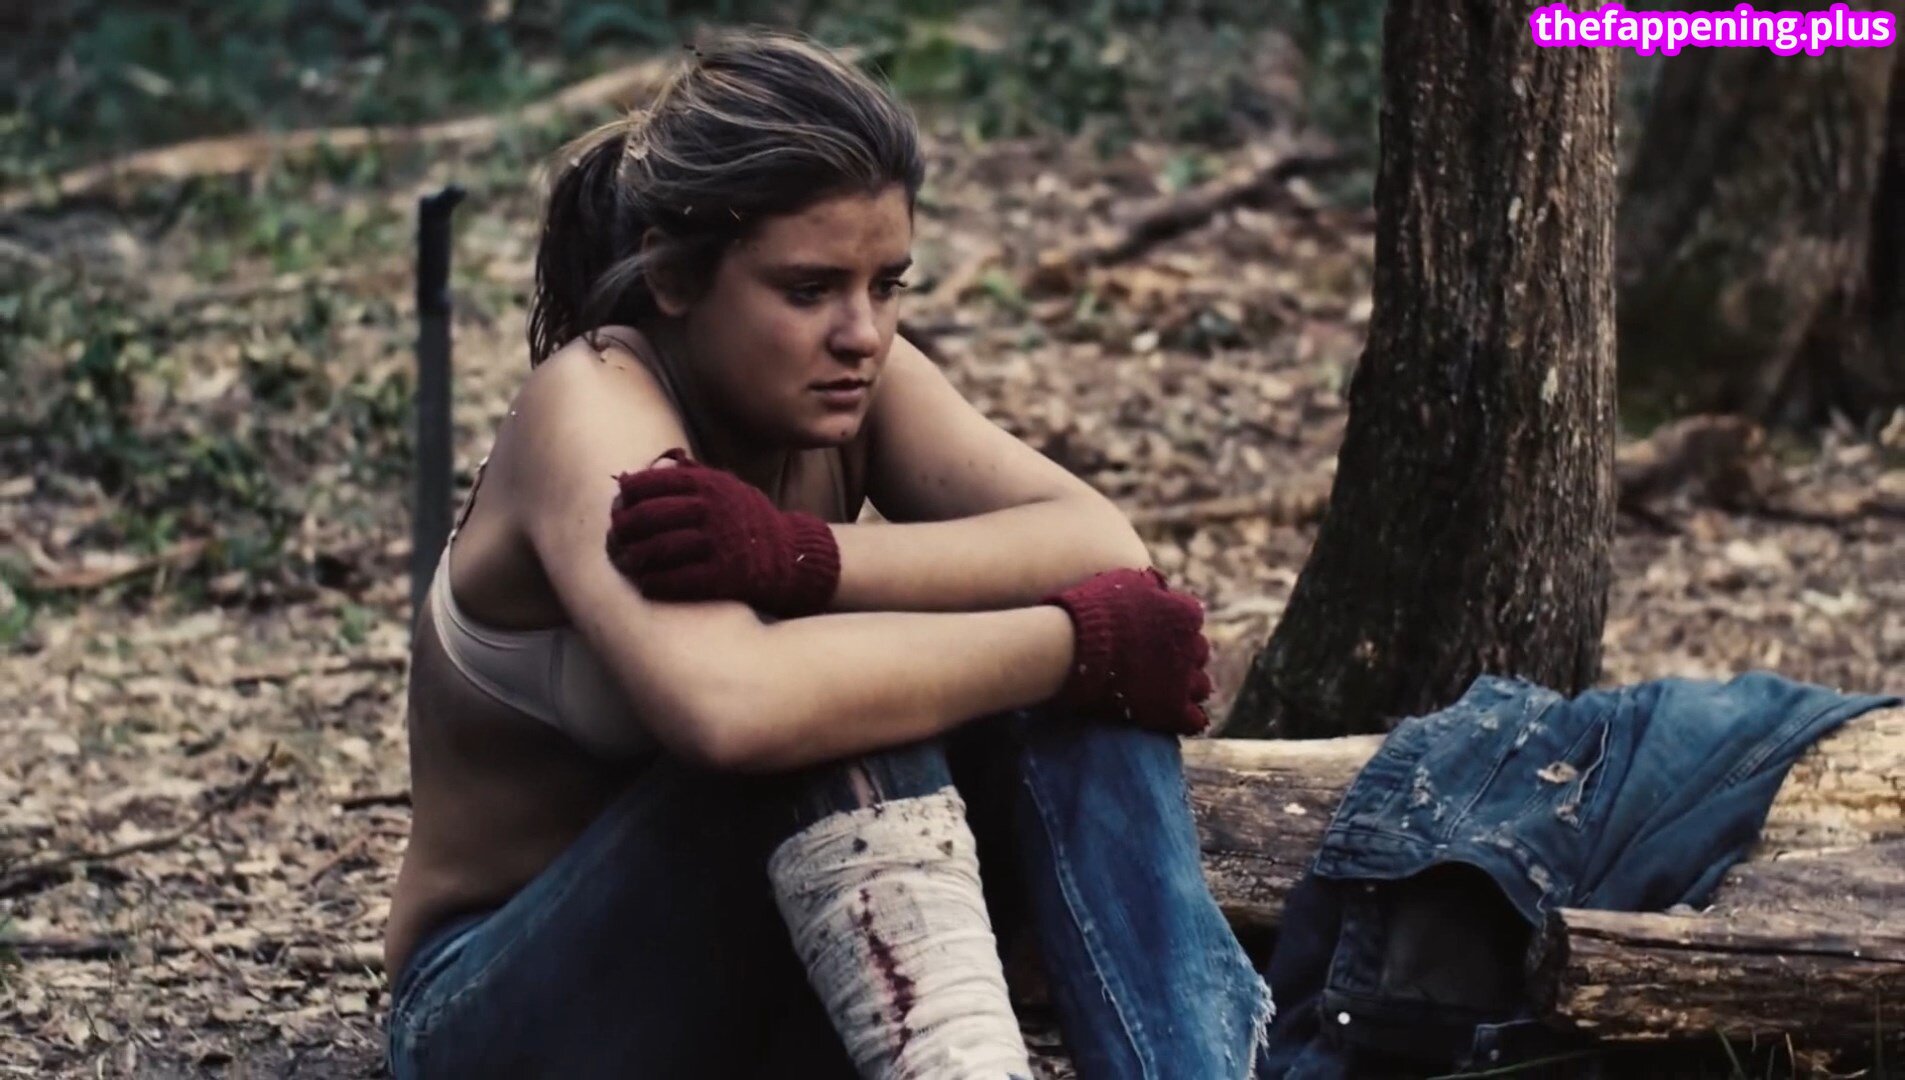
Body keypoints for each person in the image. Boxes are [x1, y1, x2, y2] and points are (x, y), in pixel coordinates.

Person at [383, 30, 1272, 1080]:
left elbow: (1101, 546)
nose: (863, 333)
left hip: (760, 984)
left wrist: (801, 557)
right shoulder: (592, 401)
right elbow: (733, 707)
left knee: (1077, 698)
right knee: (860, 707)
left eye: (888, 284)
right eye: (807, 290)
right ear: (672, 273)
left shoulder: (855, 383)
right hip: (499, 1013)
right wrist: (1073, 648)